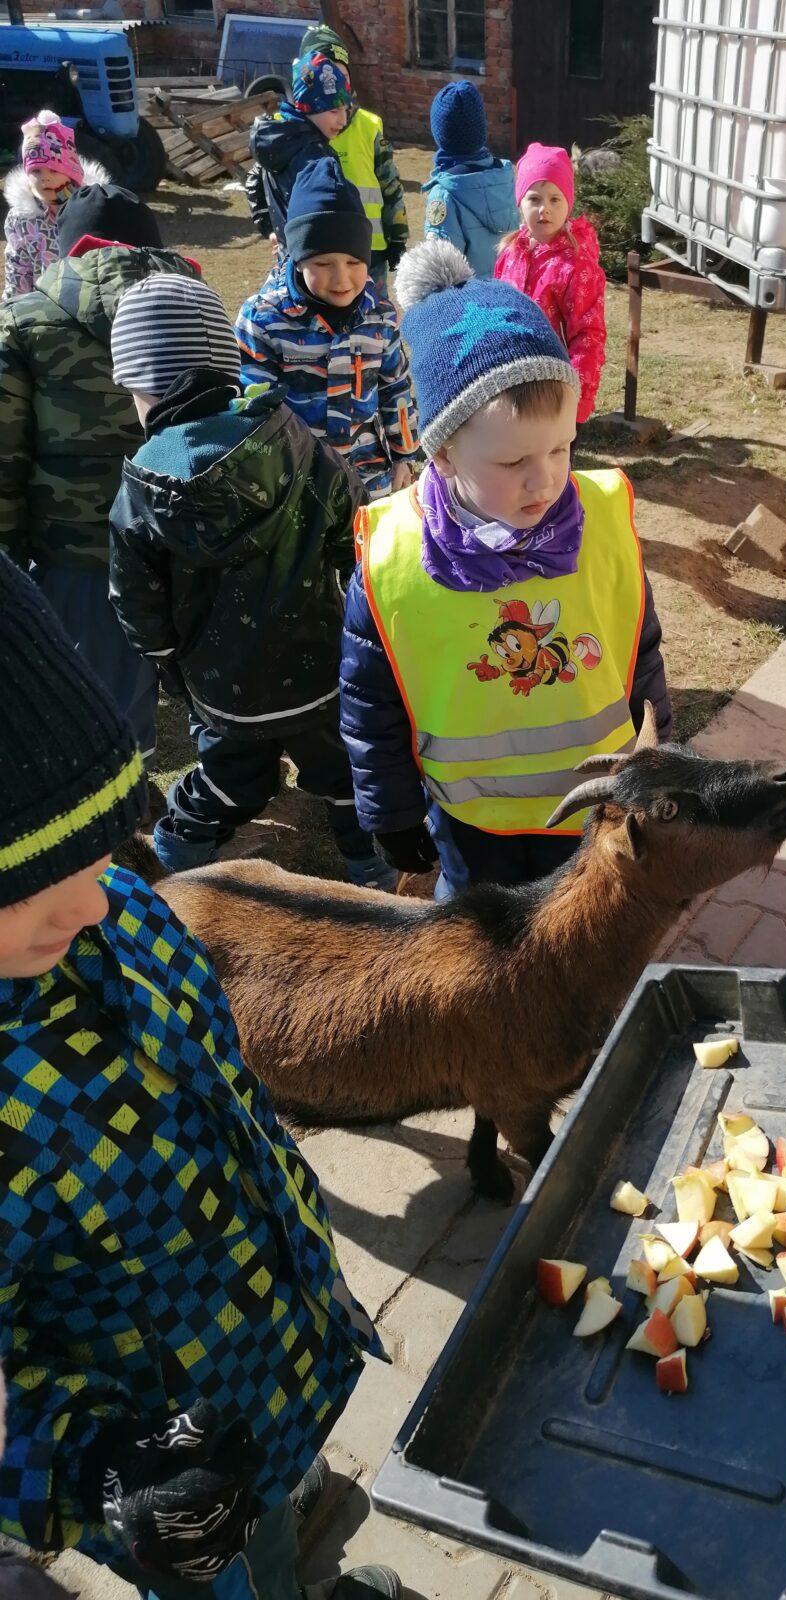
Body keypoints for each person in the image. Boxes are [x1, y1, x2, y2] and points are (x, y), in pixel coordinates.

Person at [0, 552, 401, 1600]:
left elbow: (228, 1097)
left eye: (101, 842)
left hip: (277, 1348)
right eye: (31, 882)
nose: (91, 903)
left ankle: (303, 1504)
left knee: (286, 1500)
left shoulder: (122, 913)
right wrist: (92, 1470)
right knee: (239, 1575)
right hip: (160, 1470)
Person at [340, 240, 670, 894]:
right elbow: (371, 702)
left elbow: (639, 638)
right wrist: (392, 813)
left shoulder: (601, 520)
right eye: (513, 464)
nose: (545, 480)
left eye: (560, 448)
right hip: (472, 822)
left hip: (590, 805)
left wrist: (658, 733)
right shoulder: (394, 557)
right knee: (481, 942)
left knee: (576, 931)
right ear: (444, 456)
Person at [106, 272, 395, 890]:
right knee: (344, 773)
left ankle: (177, 854)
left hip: (220, 684)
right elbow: (353, 519)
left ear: (141, 388)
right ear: (222, 362)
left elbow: (136, 600)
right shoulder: (291, 434)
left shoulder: (141, 486)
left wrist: (167, 665)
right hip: (320, 671)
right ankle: (369, 867)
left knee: (230, 774)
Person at [0, 182, 202, 761]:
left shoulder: (24, 319)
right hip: (181, 541)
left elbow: (6, 455)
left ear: (69, 248)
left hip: (77, 551)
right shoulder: (194, 304)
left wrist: (10, 557)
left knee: (91, 698)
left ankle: (115, 807)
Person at [236, 157, 420, 500]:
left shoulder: (378, 316)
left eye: (354, 262)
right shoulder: (263, 320)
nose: (342, 278)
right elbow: (253, 409)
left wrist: (405, 457)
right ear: (298, 258)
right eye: (322, 263)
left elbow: (396, 389)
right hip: (296, 487)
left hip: (370, 480)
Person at [247, 29, 408, 291]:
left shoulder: (367, 126)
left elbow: (389, 184)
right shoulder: (287, 136)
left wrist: (397, 237)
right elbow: (257, 178)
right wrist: (268, 227)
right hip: (311, 255)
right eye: (325, 71)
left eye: (340, 74)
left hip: (370, 248)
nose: (333, 78)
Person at [494, 142, 606, 428]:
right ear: (520, 203)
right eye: (535, 199)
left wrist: (576, 401)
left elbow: (588, 335)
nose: (545, 209)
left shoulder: (576, 266)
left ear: (568, 203)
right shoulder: (509, 253)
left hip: (555, 392)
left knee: (550, 470)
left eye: (555, 199)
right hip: (510, 385)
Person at [244, 47, 354, 270]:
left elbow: (254, 179)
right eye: (334, 111)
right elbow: (331, 217)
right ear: (307, 107)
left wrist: (270, 229)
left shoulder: (278, 139)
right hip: (315, 262)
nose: (343, 120)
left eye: (345, 110)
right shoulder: (316, 158)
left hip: (289, 255)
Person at [422, 80, 519, 281]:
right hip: (509, 293)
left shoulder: (444, 195)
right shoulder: (506, 178)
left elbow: (441, 273)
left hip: (468, 306)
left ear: (439, 133)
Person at [3, 112, 105, 300]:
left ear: (71, 171)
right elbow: (18, 271)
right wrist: (11, 312)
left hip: (87, 306)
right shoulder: (21, 220)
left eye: (54, 169)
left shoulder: (93, 210)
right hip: (42, 312)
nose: (45, 177)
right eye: (35, 170)